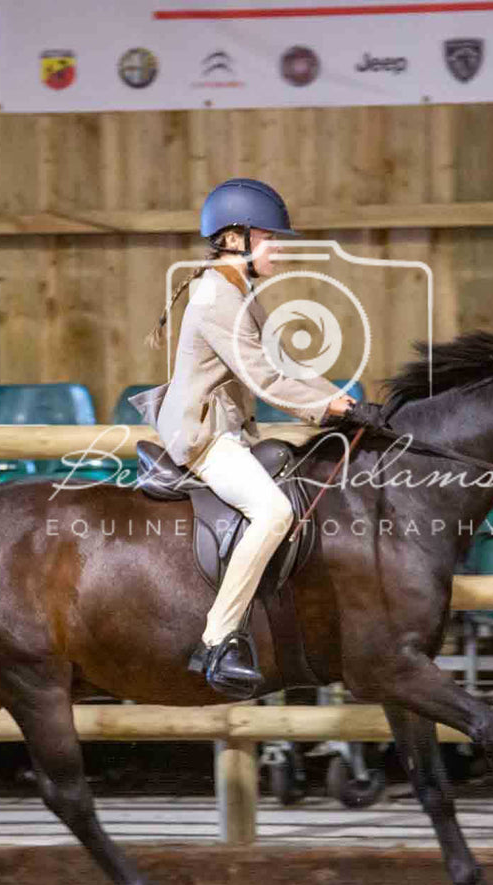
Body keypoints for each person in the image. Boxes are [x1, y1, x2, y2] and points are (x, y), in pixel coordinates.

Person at [129, 178, 367, 699]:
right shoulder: (218, 297)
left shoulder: (239, 289)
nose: (280, 248)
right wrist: (325, 407)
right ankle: (216, 640)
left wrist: (342, 398)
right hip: (204, 435)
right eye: (270, 238)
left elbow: (283, 362)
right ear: (235, 238)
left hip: (232, 428)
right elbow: (264, 378)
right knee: (275, 512)